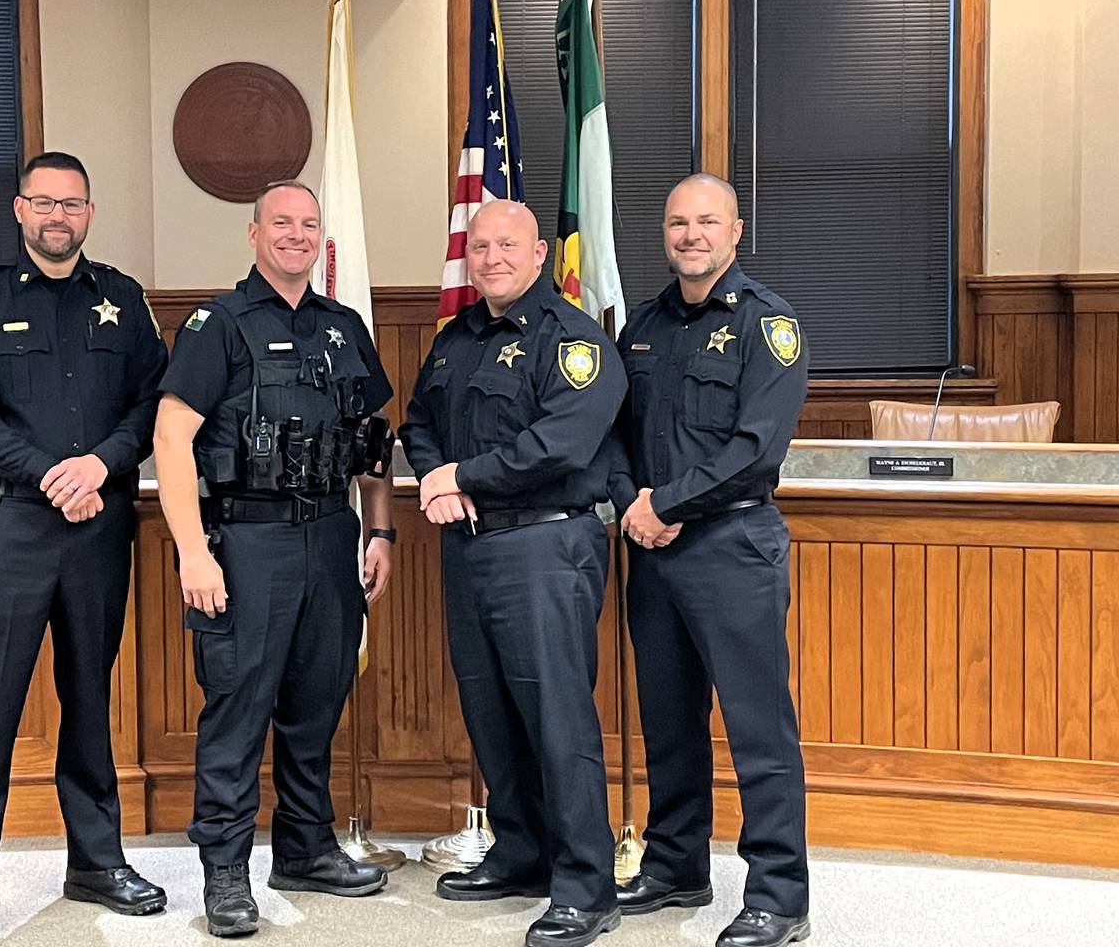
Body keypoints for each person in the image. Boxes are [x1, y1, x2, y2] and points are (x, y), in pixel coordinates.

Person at [0, 152, 169, 947]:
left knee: (91, 703)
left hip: (99, 529)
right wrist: (53, 475)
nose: (58, 216)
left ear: (89, 214)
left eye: (73, 204)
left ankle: (96, 862)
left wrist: (99, 464)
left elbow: (151, 405)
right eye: (44, 202)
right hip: (16, 530)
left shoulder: (123, 301)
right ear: (20, 209)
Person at [153, 180, 397, 938]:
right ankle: (226, 872)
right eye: (281, 223)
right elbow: (170, 438)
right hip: (246, 541)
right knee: (238, 710)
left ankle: (304, 847)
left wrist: (379, 531)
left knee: (316, 704)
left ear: (322, 240)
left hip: (330, 536)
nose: (296, 235)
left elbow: (373, 443)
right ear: (253, 234)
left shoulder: (344, 326)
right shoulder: (216, 325)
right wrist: (193, 552)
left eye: (308, 225)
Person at [401, 199, 625, 947]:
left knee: (558, 717)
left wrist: (465, 475)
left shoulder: (572, 339)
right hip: (469, 546)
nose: (492, 256)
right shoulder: (458, 338)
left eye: (509, 245)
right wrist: (441, 480)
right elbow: (418, 423)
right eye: (481, 244)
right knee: (490, 711)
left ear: (539, 255)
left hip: (546, 547)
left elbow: (562, 443)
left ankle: (585, 885)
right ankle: (522, 851)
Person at [609, 173, 810, 947]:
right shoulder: (643, 327)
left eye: (706, 222)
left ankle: (780, 895)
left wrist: (663, 505)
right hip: (653, 552)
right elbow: (615, 437)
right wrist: (636, 503)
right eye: (677, 223)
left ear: (735, 230)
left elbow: (756, 452)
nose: (690, 235)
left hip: (732, 545)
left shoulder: (769, 325)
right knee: (669, 722)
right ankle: (675, 864)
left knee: (759, 731)